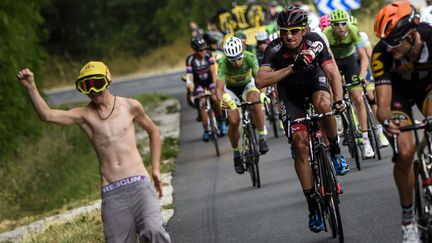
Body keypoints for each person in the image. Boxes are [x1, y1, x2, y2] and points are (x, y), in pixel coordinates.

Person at [17, 62, 171, 243]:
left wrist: (156, 169)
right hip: (112, 191)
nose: (93, 90)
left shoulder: (130, 106)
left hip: (140, 184)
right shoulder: (84, 115)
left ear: (108, 80)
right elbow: (48, 115)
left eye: (97, 83)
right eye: (86, 85)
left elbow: (153, 131)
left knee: (154, 232)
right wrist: (32, 87)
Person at [255, 5, 348, 233]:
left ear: (304, 30)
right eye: (284, 31)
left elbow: (332, 71)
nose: (289, 35)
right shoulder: (274, 50)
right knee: (299, 144)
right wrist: (291, 68)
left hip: (315, 84)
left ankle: (335, 151)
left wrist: (339, 99)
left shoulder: (316, 41)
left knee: (324, 106)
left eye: (294, 30)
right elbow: (260, 80)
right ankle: (313, 206)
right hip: (290, 95)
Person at [373, 1, 431, 242]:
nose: (388, 48)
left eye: (393, 41)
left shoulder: (430, 36)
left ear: (412, 34)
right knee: (406, 153)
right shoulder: (380, 54)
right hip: (397, 95)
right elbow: (382, 107)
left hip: (426, 88)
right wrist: (388, 122)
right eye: (385, 41)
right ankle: (408, 219)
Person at [323, 9, 375, 159]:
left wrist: (361, 75)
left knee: (358, 98)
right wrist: (334, 79)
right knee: (332, 88)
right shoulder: (326, 34)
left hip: (349, 61)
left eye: (343, 24)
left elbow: (364, 57)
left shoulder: (353, 30)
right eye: (336, 24)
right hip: (333, 63)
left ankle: (366, 142)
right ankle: (337, 116)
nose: (340, 27)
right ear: (331, 26)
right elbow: (327, 61)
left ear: (347, 23)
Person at [216, 36, 269, 174]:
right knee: (234, 121)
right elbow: (219, 90)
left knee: (255, 102)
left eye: (239, 58)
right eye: (233, 60)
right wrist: (225, 100)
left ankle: (262, 136)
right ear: (227, 58)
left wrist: (263, 93)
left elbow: (260, 79)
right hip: (231, 90)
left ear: (243, 52)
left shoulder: (250, 57)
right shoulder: (222, 63)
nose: (237, 63)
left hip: (247, 85)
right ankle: (236, 153)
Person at [350, 15, 389, 148]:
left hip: (363, 66)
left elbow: (370, 57)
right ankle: (357, 126)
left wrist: (368, 77)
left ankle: (380, 132)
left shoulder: (362, 36)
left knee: (372, 97)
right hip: (350, 68)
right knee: (353, 97)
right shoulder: (341, 42)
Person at [186, 37, 227, 140]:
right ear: (195, 50)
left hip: (210, 82)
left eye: (204, 49)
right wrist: (190, 87)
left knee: (215, 99)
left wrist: (215, 86)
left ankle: (221, 121)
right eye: (200, 50)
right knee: (203, 103)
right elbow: (189, 76)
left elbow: (213, 72)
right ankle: (206, 129)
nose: (203, 51)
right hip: (199, 84)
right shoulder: (190, 60)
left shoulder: (209, 55)